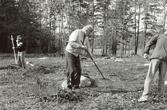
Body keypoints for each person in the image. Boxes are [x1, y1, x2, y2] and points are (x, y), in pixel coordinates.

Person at [138, 31, 167, 102]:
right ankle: (161, 97)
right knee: (162, 79)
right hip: (165, 60)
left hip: (156, 58)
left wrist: (145, 52)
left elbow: (149, 42)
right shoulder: (159, 36)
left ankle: (145, 97)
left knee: (149, 77)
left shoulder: (159, 35)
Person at [65, 25, 93, 90]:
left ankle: (76, 86)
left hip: (76, 54)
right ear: (86, 30)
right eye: (89, 32)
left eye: (90, 32)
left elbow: (88, 48)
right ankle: (69, 85)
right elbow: (71, 43)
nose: (89, 34)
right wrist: (81, 46)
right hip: (70, 52)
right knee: (71, 69)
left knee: (78, 70)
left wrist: (90, 55)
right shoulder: (77, 32)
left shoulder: (86, 37)